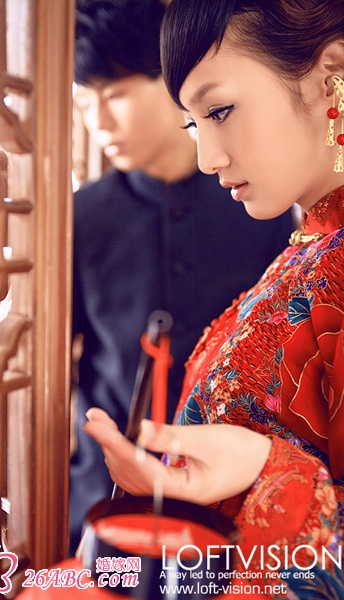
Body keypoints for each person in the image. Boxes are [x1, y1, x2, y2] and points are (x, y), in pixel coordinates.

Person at [84, 0, 344, 597]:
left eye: (220, 110)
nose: (207, 157)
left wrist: (266, 470)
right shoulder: (306, 250)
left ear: (331, 74)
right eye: (194, 124)